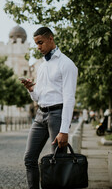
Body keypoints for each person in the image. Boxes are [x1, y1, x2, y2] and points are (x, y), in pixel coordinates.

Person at [21, 27, 78, 189]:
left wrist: (64, 130)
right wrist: (31, 89)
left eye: (40, 42)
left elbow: (69, 98)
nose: (38, 47)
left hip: (57, 115)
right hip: (40, 115)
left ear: (51, 39)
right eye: (36, 44)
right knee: (29, 159)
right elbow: (39, 96)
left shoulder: (67, 64)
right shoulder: (42, 66)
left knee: (58, 163)